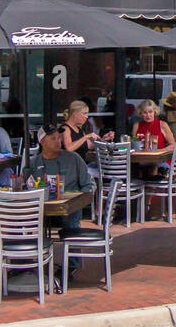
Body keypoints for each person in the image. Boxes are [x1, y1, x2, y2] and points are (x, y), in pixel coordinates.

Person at [26, 125, 95, 262]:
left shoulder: (73, 158)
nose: (58, 141)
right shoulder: (34, 163)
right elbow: (27, 187)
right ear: (42, 142)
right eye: (53, 138)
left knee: (71, 219)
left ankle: (72, 265)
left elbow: (89, 185)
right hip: (41, 210)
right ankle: (27, 263)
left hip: (68, 209)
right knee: (23, 221)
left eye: (59, 138)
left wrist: (79, 199)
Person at [60, 100, 113, 164]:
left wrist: (103, 139)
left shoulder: (79, 129)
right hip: (69, 168)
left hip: (80, 167)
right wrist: (86, 137)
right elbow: (69, 148)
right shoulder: (65, 129)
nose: (87, 116)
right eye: (84, 113)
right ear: (75, 114)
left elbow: (89, 145)